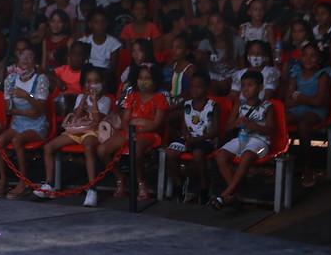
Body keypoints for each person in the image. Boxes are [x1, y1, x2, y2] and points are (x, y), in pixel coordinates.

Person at [36, 65, 111, 207]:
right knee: (49, 147)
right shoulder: (81, 97)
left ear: (102, 83)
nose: (92, 85)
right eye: (89, 82)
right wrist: (84, 98)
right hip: (76, 131)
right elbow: (76, 116)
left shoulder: (106, 100)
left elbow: (96, 121)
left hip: (93, 131)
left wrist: (94, 101)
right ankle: (50, 184)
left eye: (95, 81)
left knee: (88, 147)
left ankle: (92, 189)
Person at [98, 63, 168, 201]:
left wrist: (139, 128)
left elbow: (157, 123)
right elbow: (125, 120)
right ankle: (120, 177)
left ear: (155, 80)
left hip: (148, 133)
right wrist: (129, 130)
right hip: (129, 131)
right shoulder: (132, 96)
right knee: (102, 150)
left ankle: (141, 181)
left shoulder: (160, 97)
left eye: (147, 78)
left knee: (135, 152)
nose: (143, 80)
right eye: (141, 77)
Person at [0, 48, 50, 200]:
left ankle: (23, 182)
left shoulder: (41, 79)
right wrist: (26, 112)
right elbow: (8, 109)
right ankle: (3, 180)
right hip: (18, 123)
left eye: (30, 56)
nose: (25, 59)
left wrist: (26, 96)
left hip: (37, 125)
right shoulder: (10, 80)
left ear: (35, 62)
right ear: (17, 60)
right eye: (22, 56)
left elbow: (40, 109)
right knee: (0, 141)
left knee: (17, 140)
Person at [212, 70, 274, 210]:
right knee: (220, 155)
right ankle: (237, 195)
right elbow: (227, 128)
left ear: (260, 88)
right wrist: (236, 123)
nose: (245, 89)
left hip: (260, 141)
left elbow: (271, 130)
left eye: (250, 85)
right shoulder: (238, 105)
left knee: (247, 155)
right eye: (243, 85)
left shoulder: (267, 106)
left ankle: (228, 192)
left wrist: (253, 125)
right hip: (241, 138)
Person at [165, 71, 220, 204]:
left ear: (207, 88)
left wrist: (195, 140)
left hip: (206, 139)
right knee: (171, 152)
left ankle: (205, 186)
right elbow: (184, 126)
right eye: (192, 86)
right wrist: (187, 137)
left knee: (197, 154)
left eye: (199, 86)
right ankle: (180, 183)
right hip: (189, 138)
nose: (194, 90)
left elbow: (215, 130)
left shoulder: (213, 106)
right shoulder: (187, 104)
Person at [284, 42, 331, 187]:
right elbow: (288, 101)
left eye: (313, 56)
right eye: (305, 55)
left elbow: (318, 102)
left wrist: (300, 97)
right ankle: (279, 163)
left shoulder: (322, 75)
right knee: (281, 119)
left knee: (303, 124)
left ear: (319, 59)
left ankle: (307, 167)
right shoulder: (296, 72)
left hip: (316, 111)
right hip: (298, 108)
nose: (308, 59)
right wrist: (302, 99)